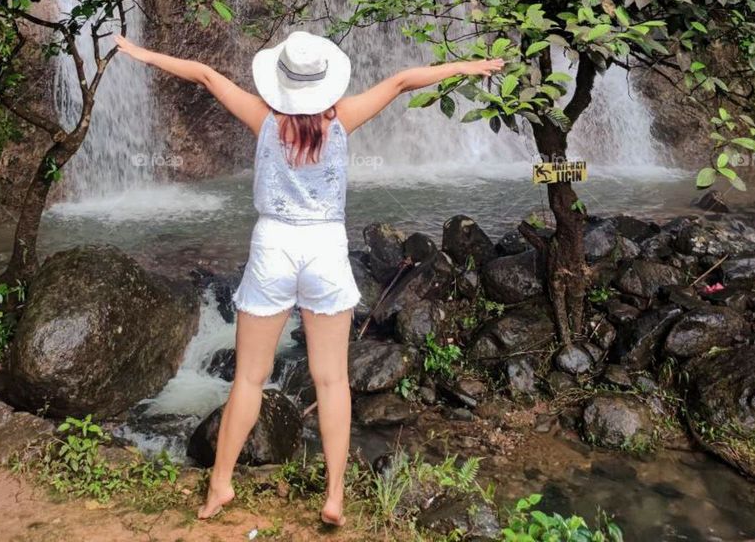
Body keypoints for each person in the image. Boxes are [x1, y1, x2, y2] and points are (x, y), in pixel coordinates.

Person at [114, 29, 504, 526]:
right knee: (332, 379)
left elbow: (207, 76)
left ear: (281, 83)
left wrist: (141, 52)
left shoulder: (264, 119)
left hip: (273, 247)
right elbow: (405, 80)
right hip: (325, 250)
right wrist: (468, 66)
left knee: (249, 380)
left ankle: (219, 486)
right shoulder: (342, 120)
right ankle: (334, 497)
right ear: (323, 83)